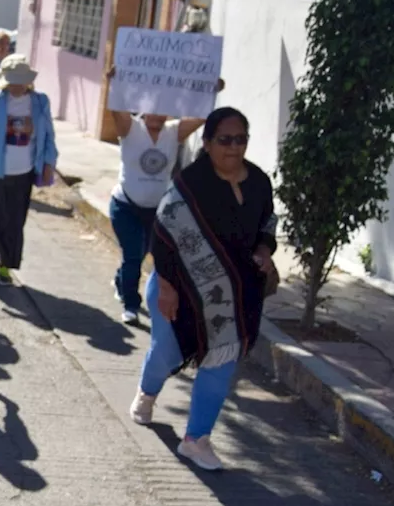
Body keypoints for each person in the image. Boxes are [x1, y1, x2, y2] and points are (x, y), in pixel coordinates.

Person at [130, 108, 277, 472]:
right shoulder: (189, 185)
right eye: (224, 140)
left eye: (240, 139)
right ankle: (147, 393)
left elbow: (267, 224)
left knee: (221, 361)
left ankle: (196, 440)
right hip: (177, 290)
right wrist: (165, 288)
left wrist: (263, 251)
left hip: (231, 299)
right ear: (208, 143)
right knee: (166, 354)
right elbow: (161, 237)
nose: (233, 147)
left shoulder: (258, 182)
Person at [106, 80, 212, 324]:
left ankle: (122, 279)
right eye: (154, 106)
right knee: (133, 254)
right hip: (125, 205)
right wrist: (115, 82)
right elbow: (116, 108)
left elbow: (201, 114)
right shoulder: (131, 128)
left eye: (164, 107)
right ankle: (131, 304)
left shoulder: (174, 132)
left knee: (143, 253)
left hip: (156, 210)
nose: (158, 113)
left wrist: (209, 88)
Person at [0, 54, 58, 285]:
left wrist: (48, 163)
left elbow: (48, 136)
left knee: (14, 222)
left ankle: (5, 265)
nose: (16, 86)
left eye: (21, 80)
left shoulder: (40, 102)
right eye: (13, 80)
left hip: (22, 172)